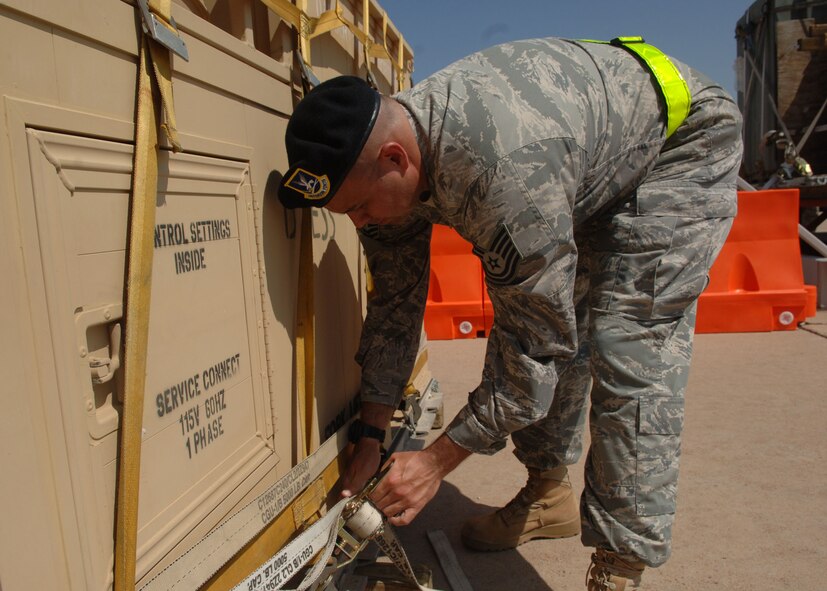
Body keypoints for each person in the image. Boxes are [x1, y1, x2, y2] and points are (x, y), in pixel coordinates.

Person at [278, 36, 742, 590]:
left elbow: (533, 350)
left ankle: (620, 567)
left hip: (677, 144)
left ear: (396, 160)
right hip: (585, 153)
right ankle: (549, 493)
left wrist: (434, 463)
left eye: (356, 206)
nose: (357, 222)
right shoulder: (385, 168)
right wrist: (372, 436)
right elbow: (396, 306)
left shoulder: (507, 175)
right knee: (553, 313)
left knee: (628, 346)